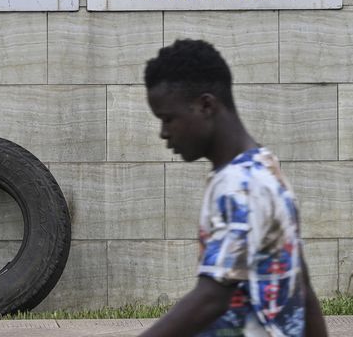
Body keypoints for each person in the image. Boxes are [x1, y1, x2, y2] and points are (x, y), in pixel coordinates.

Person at [138, 39, 329, 337]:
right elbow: (301, 283)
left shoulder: (240, 187)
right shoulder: (265, 166)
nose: (163, 133)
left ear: (206, 105)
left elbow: (212, 297)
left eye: (168, 118)